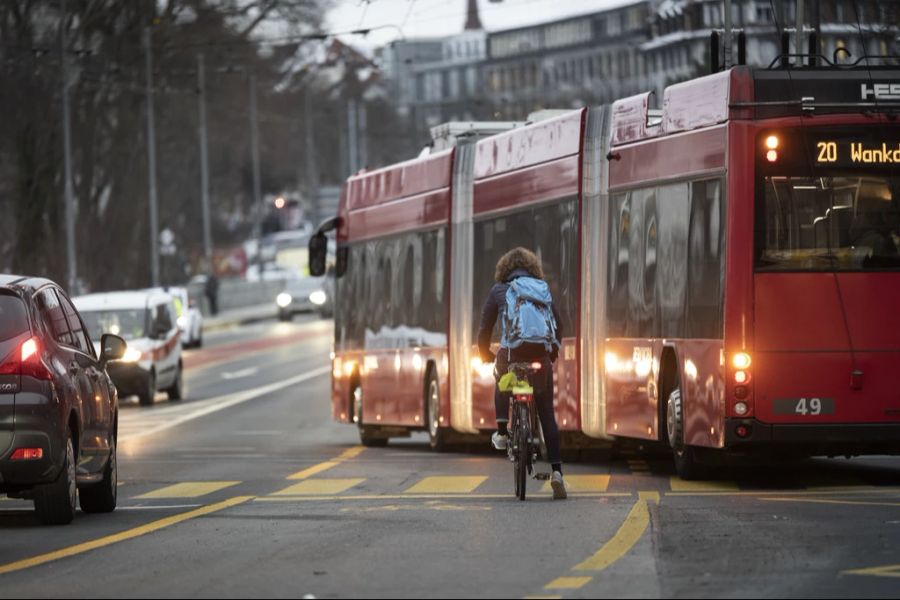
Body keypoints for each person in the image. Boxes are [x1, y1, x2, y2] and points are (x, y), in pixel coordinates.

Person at [476, 247, 567, 500]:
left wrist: (485, 353)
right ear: (532, 269)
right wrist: (553, 351)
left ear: (504, 270)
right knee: (547, 414)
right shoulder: (541, 288)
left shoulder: (498, 290)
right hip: (540, 355)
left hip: (511, 354)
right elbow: (558, 324)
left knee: (501, 376)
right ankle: (558, 473)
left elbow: (485, 328)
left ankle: (503, 431)